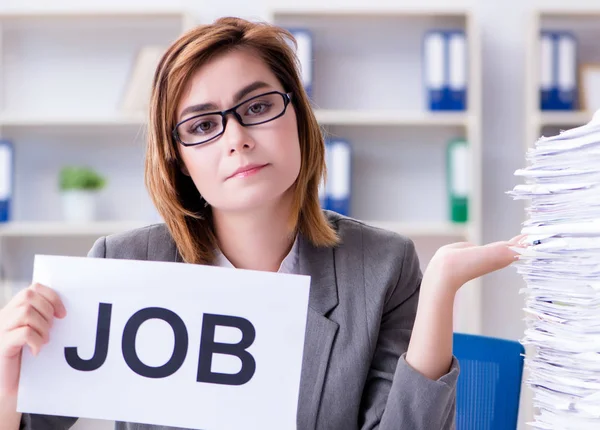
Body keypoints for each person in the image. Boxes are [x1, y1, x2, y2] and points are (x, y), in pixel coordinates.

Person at [0, 17, 525, 430]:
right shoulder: (124, 265)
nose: (236, 138)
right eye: (203, 124)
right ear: (177, 156)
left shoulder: (382, 265)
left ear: (298, 115)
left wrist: (439, 291)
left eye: (257, 106)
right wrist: (6, 380)